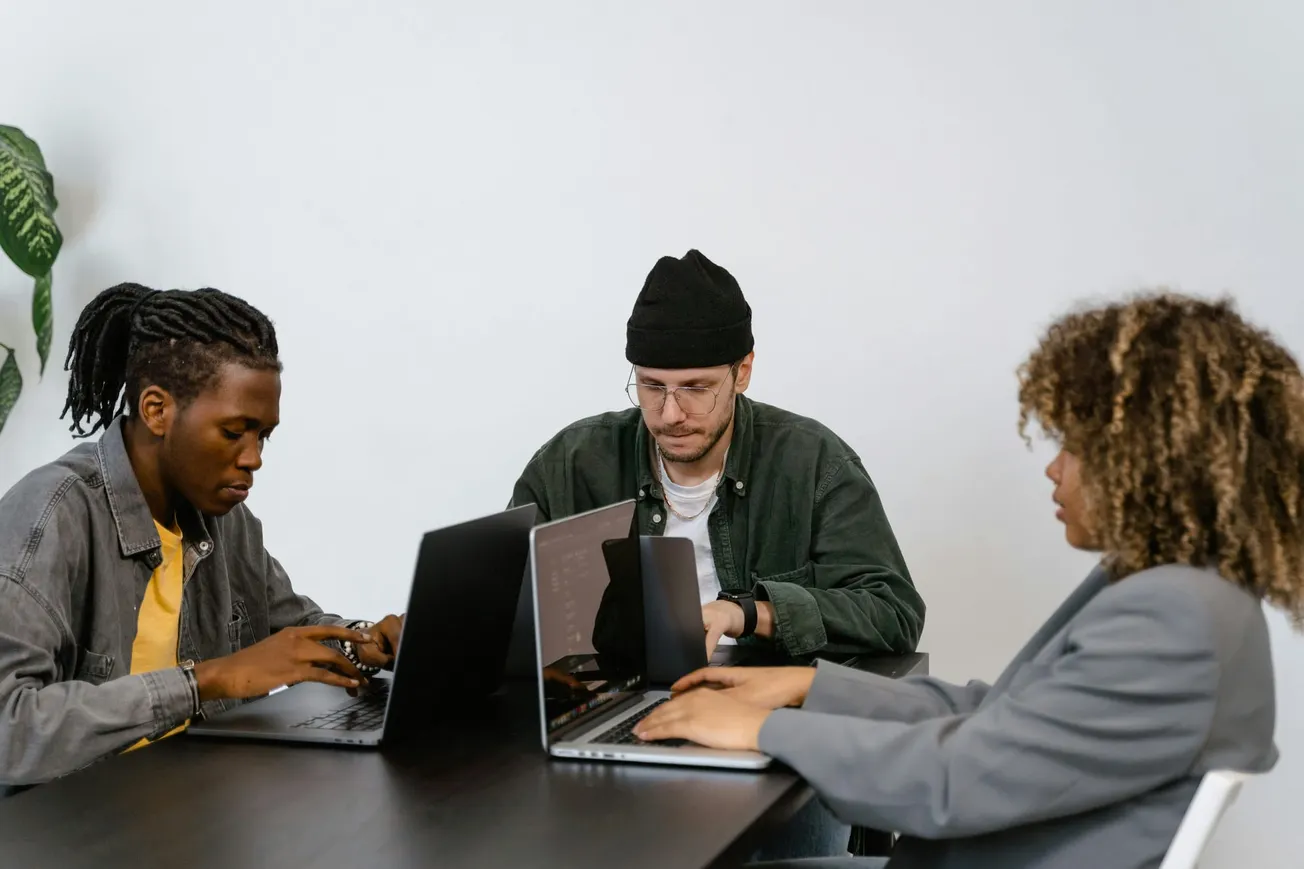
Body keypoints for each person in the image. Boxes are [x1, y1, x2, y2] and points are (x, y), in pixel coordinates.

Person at [634, 292, 1297, 869]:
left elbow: (955, 778)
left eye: (1075, 447)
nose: (1055, 469)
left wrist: (763, 728)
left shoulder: (1173, 617)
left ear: (1151, 466)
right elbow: (1001, 718)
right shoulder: (1178, 588)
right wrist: (808, 685)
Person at [0, 283, 404, 789]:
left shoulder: (225, 517)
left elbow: (288, 630)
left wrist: (363, 642)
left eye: (264, 436)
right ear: (156, 410)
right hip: (77, 835)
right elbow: (8, 728)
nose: (254, 458)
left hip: (197, 813)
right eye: (235, 432)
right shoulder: (52, 514)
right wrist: (205, 680)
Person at [510, 249, 924, 662]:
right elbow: (501, 610)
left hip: (757, 706)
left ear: (742, 373)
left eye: (695, 389)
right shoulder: (568, 464)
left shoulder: (812, 462)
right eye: (652, 387)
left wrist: (749, 614)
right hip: (619, 702)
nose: (671, 414)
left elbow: (893, 613)